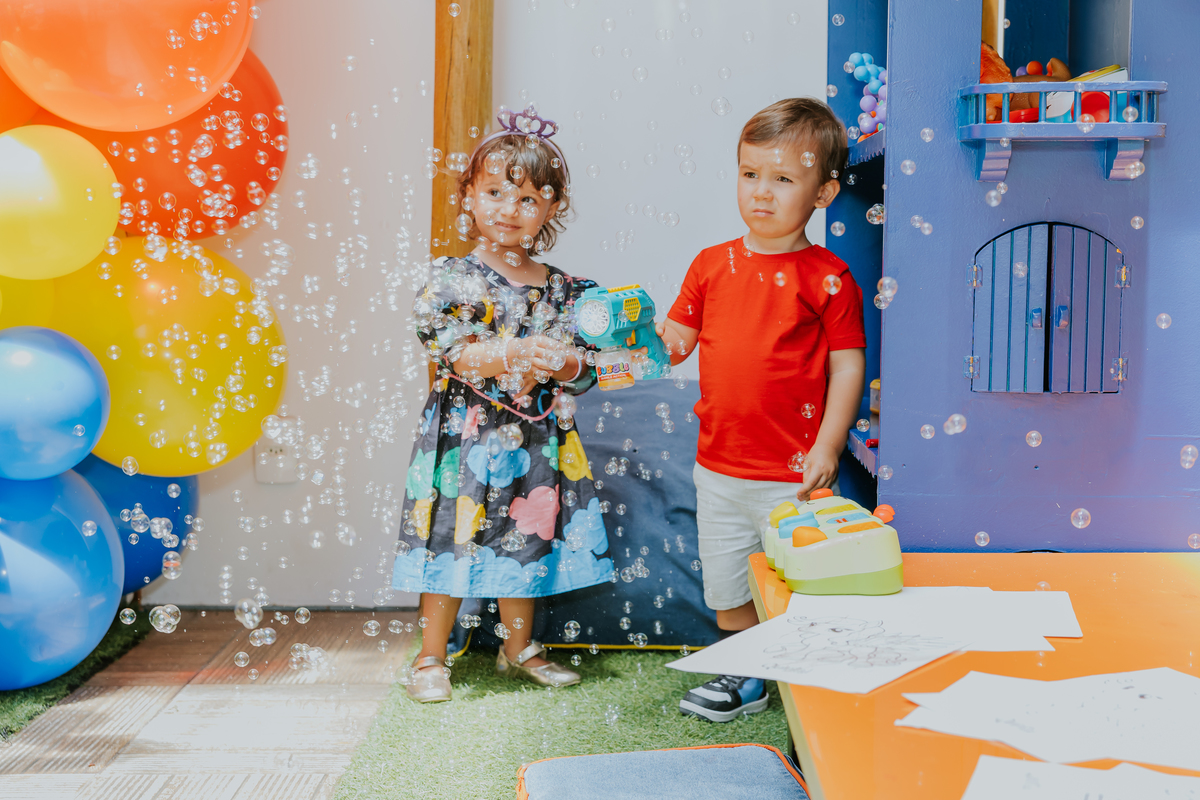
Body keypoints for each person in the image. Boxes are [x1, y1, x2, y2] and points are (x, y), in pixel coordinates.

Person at [392, 106, 613, 703]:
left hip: (537, 441)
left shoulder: (568, 291)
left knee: (529, 539)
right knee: (448, 536)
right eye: (493, 192)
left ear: (551, 208)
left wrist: (567, 363)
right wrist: (522, 350)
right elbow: (456, 354)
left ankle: (519, 649)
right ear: (467, 195)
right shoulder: (449, 280)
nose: (508, 211)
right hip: (463, 440)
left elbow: (590, 369)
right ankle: (431, 655)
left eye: (527, 199)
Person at [657, 98, 867, 722]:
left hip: (792, 472)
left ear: (823, 193)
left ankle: (795, 669)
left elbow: (846, 366)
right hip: (720, 469)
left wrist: (829, 445)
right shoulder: (711, 264)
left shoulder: (829, 277)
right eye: (750, 175)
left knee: (799, 579)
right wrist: (637, 335)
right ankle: (744, 674)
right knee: (726, 586)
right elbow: (674, 343)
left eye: (782, 179)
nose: (762, 194)